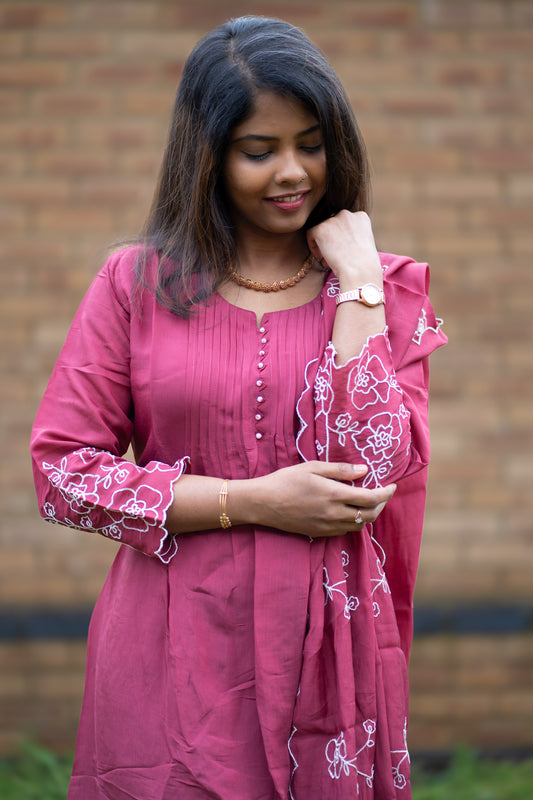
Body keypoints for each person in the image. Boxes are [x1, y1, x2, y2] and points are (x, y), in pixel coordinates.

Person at [31, 15, 446, 800]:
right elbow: (61, 472)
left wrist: (356, 286)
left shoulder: (382, 290)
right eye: (260, 151)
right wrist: (248, 501)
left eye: (311, 143)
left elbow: (378, 466)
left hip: (326, 657)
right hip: (167, 651)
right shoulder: (135, 285)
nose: (292, 171)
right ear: (209, 156)